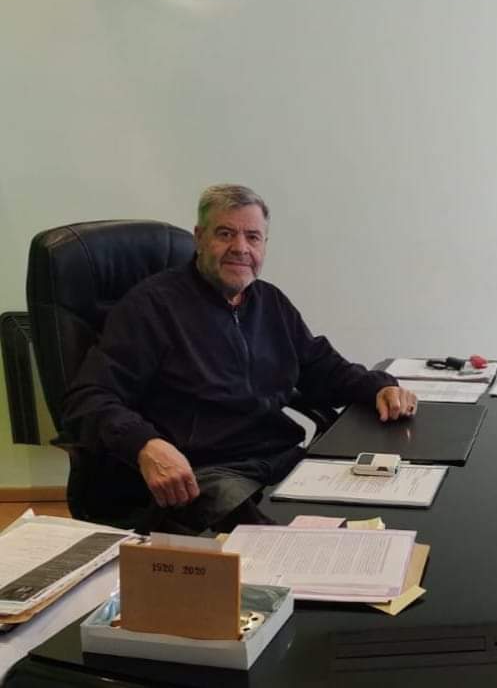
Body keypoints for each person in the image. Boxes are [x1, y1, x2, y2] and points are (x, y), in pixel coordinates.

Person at [63, 184, 417, 532]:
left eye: (253, 237)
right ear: (199, 238)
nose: (240, 248)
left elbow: (323, 368)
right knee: (293, 545)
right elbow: (89, 398)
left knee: (372, 506)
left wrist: (379, 387)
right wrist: (145, 444)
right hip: (205, 472)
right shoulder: (151, 307)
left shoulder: (270, 302)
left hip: (278, 458)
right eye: (225, 234)